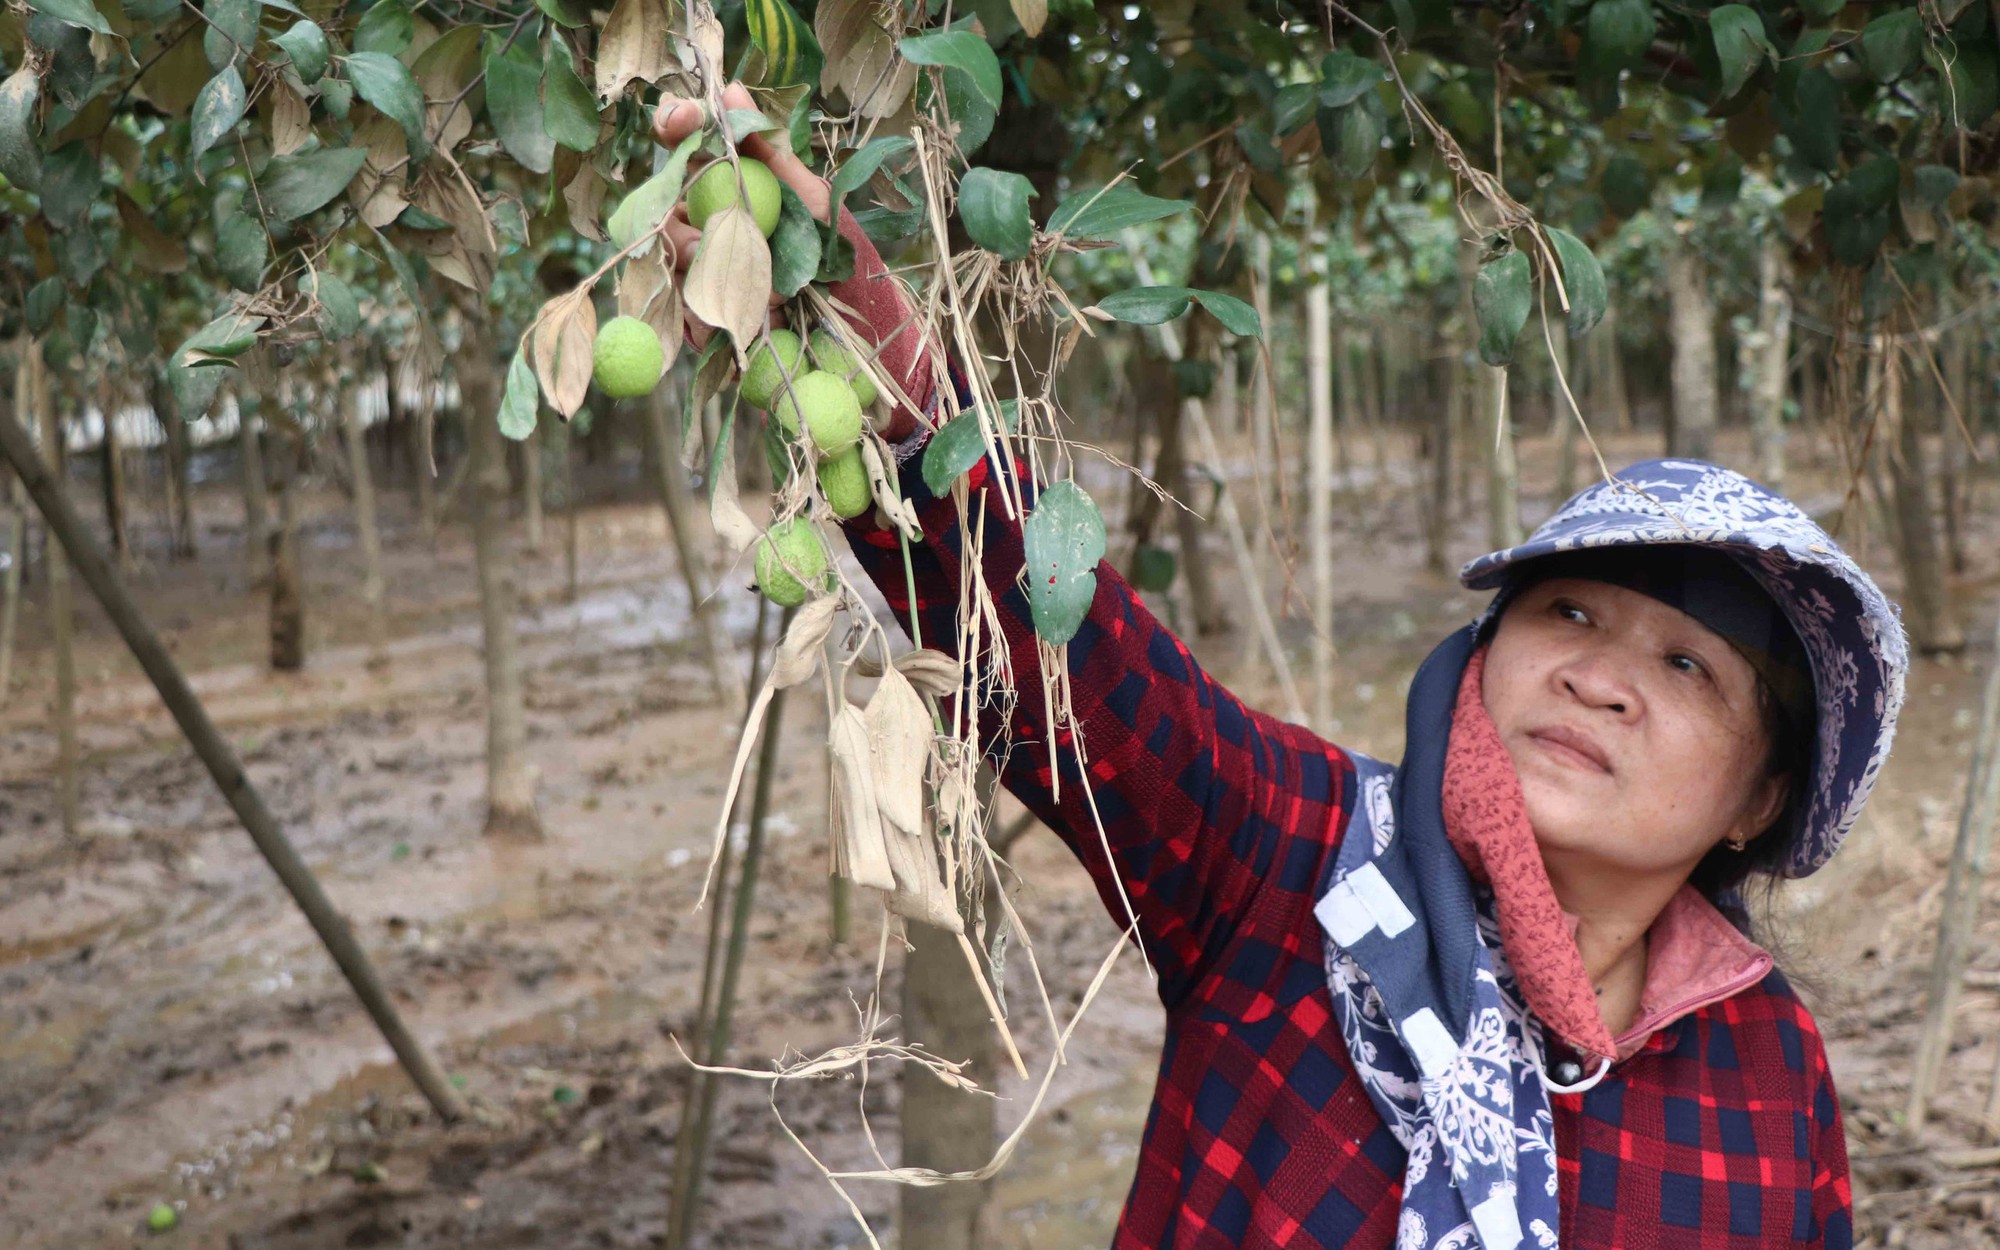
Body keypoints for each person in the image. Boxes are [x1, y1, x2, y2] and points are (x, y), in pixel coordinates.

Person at [653, 89, 1907, 1250]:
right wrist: (838, 318)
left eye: (1687, 664)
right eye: (1567, 611)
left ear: (1759, 796)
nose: (1599, 676)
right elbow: (1061, 644)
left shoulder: (1763, 1060)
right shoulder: (1290, 861)